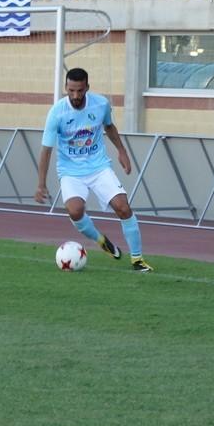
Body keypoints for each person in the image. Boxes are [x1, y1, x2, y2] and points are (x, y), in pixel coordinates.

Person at [33, 67, 154, 273]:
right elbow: (46, 150)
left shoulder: (100, 104)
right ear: (65, 88)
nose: (75, 95)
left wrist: (122, 151)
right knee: (75, 210)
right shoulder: (57, 113)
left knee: (123, 207)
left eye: (80, 91)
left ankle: (137, 259)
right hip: (70, 172)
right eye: (71, 90)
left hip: (99, 167)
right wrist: (41, 184)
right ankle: (101, 240)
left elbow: (109, 127)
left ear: (87, 87)